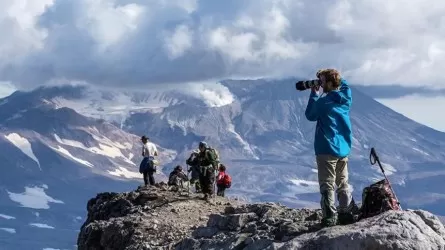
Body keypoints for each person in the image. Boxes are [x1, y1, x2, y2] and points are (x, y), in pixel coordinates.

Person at [304, 68, 355, 227]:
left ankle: (330, 217)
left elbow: (310, 115)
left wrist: (314, 93)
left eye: (323, 81)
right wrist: (336, 78)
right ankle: (346, 213)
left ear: (331, 83)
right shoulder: (346, 99)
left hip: (326, 148)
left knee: (327, 184)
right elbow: (345, 86)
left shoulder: (324, 102)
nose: (321, 83)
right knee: (343, 182)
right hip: (343, 148)